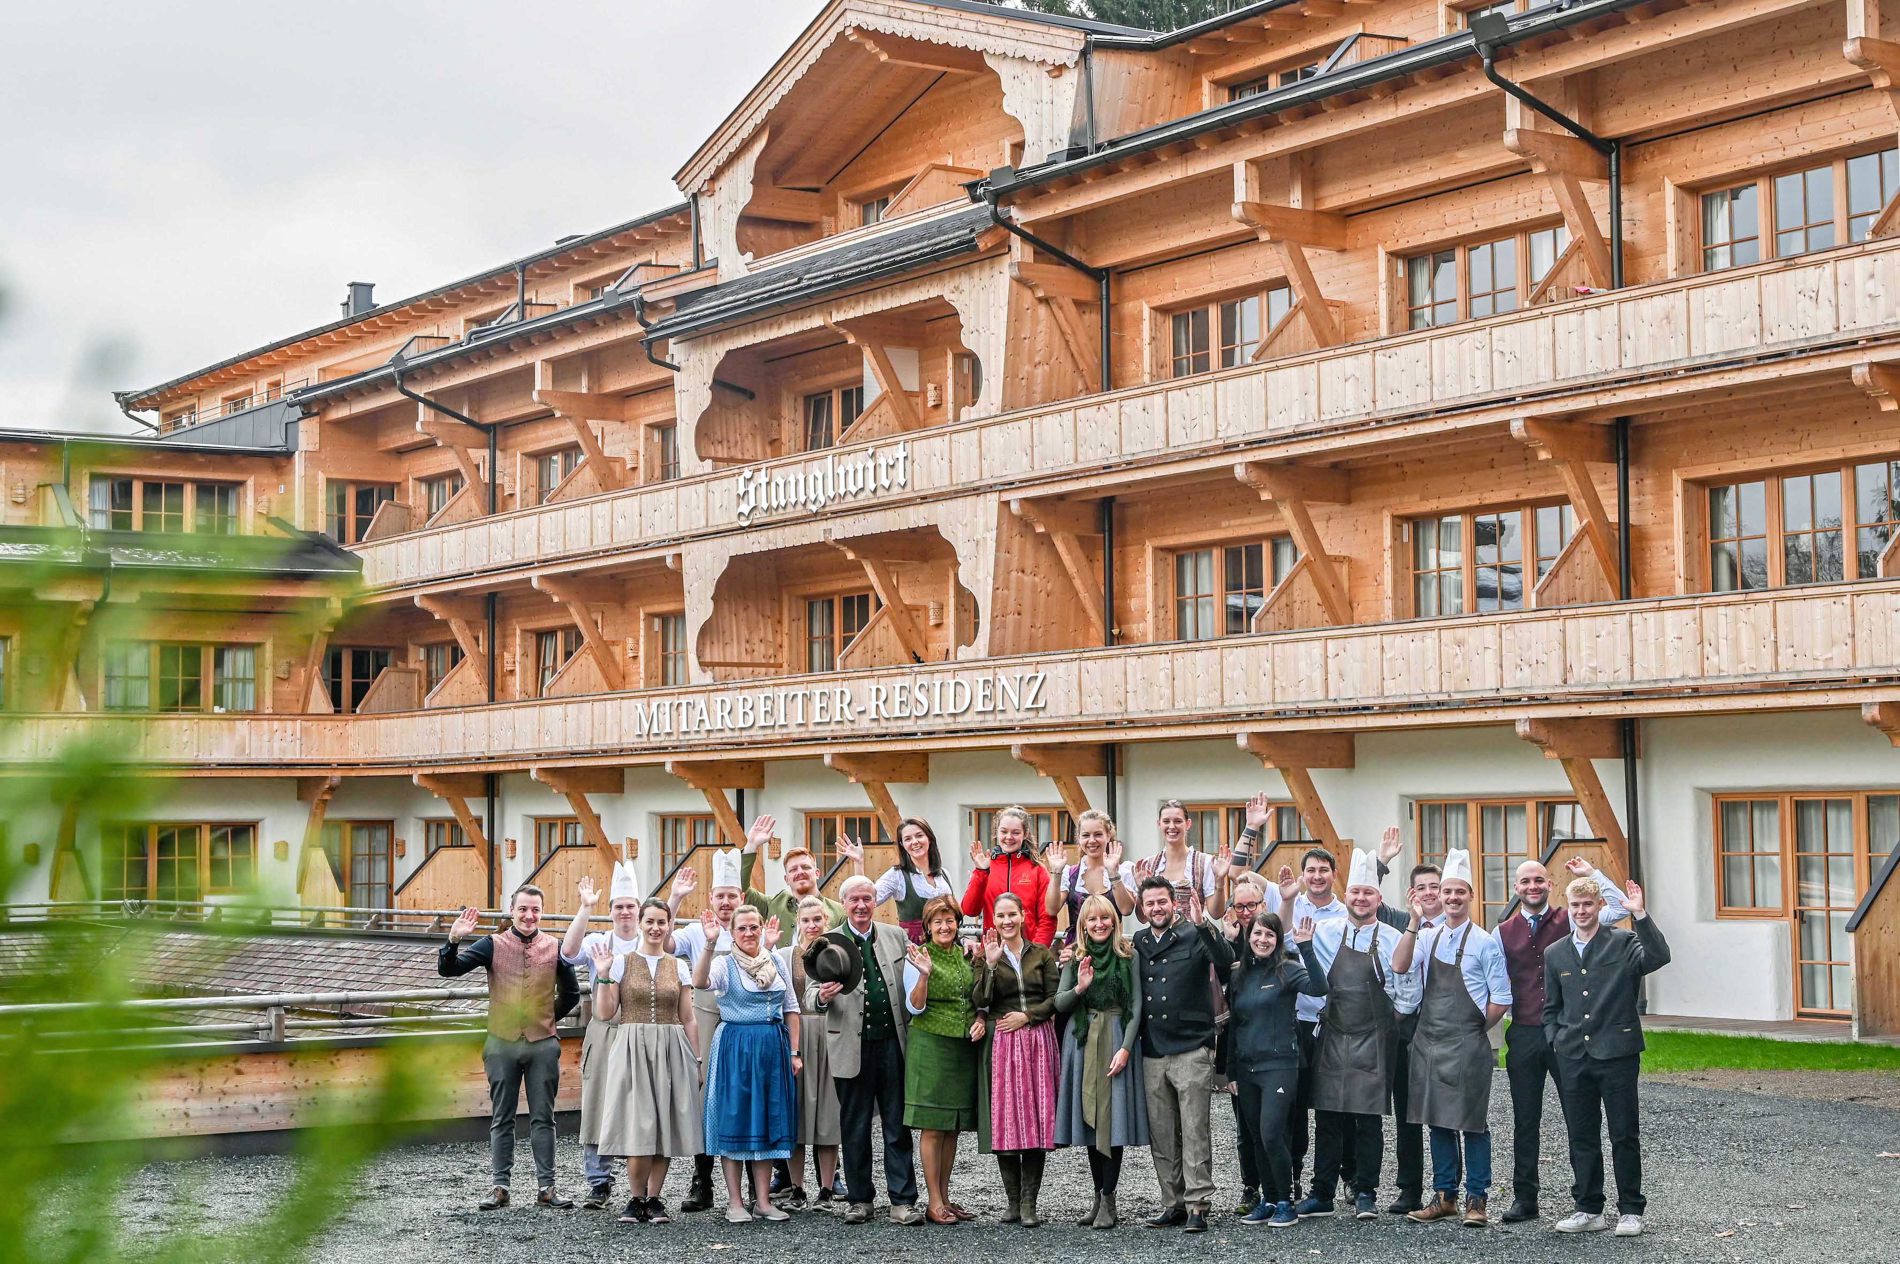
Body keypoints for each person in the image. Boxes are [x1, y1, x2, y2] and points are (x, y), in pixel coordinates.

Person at [1494, 856, 1627, 1223]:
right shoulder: (1502, 931)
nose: (1532, 887)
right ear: (1516, 888)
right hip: (1522, 1032)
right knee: (1525, 1119)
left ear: (1549, 885)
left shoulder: (1571, 916)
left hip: (1568, 1035)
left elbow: (1619, 907)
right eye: (1525, 882)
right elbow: (1490, 978)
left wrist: (1591, 875)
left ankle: (1587, 1200)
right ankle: (1525, 1198)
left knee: (1579, 1119)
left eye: (1539, 880)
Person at [437, 885, 581, 1210]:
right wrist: (453, 939)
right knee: (502, 1117)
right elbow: (449, 969)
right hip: (501, 1044)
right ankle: (500, 1186)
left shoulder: (556, 947)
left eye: (536, 910)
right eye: (523, 909)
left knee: (544, 1117)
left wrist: (544, 1019)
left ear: (541, 913)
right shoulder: (492, 944)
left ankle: (547, 1187)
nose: (529, 916)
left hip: (543, 1045)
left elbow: (571, 995)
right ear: (512, 910)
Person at [1392, 847, 1511, 1228]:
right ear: (1439, 897)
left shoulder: (1485, 941)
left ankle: (1477, 1199)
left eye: (1460, 892)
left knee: (1472, 1122)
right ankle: (1445, 1196)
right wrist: (1412, 922)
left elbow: (1501, 998)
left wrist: (1476, 1027)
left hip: (1467, 1041)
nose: (1453, 898)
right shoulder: (1428, 936)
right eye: (1447, 892)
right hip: (1429, 1041)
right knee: (1437, 1120)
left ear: (1470, 896)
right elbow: (1400, 964)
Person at [1546, 876, 1670, 1238]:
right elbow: (1552, 1006)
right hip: (1573, 1055)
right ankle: (1588, 1207)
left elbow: (1659, 956)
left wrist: (1641, 915)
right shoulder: (1556, 953)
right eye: (1575, 905)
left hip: (1617, 1053)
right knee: (1581, 1134)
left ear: (1600, 907)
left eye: (1588, 904)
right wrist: (1555, 1038)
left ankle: (1631, 1209)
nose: (1582, 911)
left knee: (1623, 1133)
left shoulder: (1624, 942)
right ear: (1568, 908)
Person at [1296, 849, 1413, 1223]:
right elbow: (1309, 981)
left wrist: (1387, 1023)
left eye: (1368, 894)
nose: (1361, 899)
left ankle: (1366, 1192)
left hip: (1375, 1037)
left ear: (1379, 899)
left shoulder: (1394, 937)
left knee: (1368, 1119)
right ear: (1346, 896)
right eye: (1355, 893)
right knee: (1327, 1116)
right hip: (1332, 1034)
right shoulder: (1325, 933)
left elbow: (1407, 991)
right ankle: (1322, 1192)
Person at [808, 874, 925, 1226]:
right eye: (854, 899)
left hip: (892, 1044)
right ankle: (860, 1200)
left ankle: (902, 1201)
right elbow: (808, 995)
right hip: (850, 1045)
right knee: (855, 1126)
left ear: (876, 902)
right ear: (843, 904)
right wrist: (821, 997)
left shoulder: (895, 936)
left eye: (867, 898)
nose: (861, 905)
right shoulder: (826, 943)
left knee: (896, 1124)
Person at [586, 895, 703, 1225]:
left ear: (669, 926)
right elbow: (605, 1013)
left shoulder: (678, 965)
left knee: (663, 1122)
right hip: (632, 1045)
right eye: (649, 921)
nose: (655, 927)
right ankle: (635, 1198)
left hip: (670, 1045)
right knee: (639, 1124)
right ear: (639, 923)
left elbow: (689, 1017)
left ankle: (654, 1199)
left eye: (661, 922)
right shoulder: (622, 961)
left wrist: (696, 1060)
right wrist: (605, 975)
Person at [1132, 875, 1235, 1233]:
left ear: (1172, 904)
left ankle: (1197, 1205)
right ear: (1142, 909)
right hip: (1153, 1048)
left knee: (1194, 1131)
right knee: (1162, 1133)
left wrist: (1206, 923)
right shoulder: (1139, 941)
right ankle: (1172, 1202)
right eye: (1150, 904)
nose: (1157, 908)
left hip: (1192, 1045)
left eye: (1162, 902)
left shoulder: (1195, 933)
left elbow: (1225, 961)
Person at [692, 904, 800, 1224]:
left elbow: (791, 1008)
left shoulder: (775, 959)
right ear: (733, 933)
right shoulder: (725, 965)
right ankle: (735, 1202)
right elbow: (699, 982)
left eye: (754, 927)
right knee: (735, 1119)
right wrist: (709, 942)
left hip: (772, 1047)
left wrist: (794, 1052)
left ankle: (763, 1201)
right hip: (736, 1047)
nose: (749, 933)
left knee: (765, 1121)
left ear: (762, 927)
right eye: (742, 928)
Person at [1224, 908, 1326, 1228]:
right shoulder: (1239, 974)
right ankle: (1268, 1200)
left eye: (1270, 934)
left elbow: (1320, 988)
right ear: (1249, 936)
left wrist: (1307, 946)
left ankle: (1285, 1201)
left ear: (1278, 940)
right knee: (1255, 1136)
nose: (1263, 939)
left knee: (1271, 1133)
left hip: (1280, 1065)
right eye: (1257, 933)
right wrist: (1231, 1073)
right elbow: (1233, 1027)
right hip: (1247, 1068)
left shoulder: (1288, 969)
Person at [1054, 893, 1148, 1230]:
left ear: (1114, 921)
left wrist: (1125, 1048)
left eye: (1104, 918)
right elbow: (1060, 1003)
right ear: (1082, 925)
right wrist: (1080, 987)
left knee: (1113, 1120)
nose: (1099, 924)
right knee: (1091, 1121)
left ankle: (1110, 1197)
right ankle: (1098, 1197)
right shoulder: (1075, 958)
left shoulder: (1128, 955)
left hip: (1116, 1036)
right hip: (1082, 1042)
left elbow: (1136, 1004)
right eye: (1091, 919)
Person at [667, 839, 751, 1212]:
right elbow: (666, 944)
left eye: (732, 895)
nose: (726, 903)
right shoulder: (696, 930)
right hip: (705, 1016)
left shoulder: (750, 930)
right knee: (705, 1100)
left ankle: (755, 1183)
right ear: (711, 898)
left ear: (741, 896)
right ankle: (702, 1180)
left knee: (743, 1095)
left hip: (742, 1022)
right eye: (720, 896)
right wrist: (675, 900)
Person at [973, 892, 1061, 1226]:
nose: (1007, 921)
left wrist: (1029, 1016)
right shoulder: (986, 956)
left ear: (1023, 916)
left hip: (1036, 1038)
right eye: (1000, 916)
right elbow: (980, 999)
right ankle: (1012, 1201)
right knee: (1006, 1121)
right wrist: (992, 965)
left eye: (1012, 914)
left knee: (1036, 1122)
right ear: (993, 920)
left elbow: (1055, 998)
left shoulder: (1040, 954)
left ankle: (1029, 1204)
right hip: (1003, 1043)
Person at [560, 863, 645, 1209]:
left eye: (630, 906)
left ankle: (640, 1184)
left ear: (638, 911)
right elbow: (567, 952)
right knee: (597, 1100)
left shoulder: (648, 941)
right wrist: (585, 907)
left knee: (639, 1102)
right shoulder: (598, 941)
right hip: (605, 1029)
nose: (625, 912)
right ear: (610, 912)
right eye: (619, 906)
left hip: (639, 1029)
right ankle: (599, 1181)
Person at [900, 894, 985, 1224]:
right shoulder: (919, 956)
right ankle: (934, 1201)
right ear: (928, 926)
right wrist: (923, 974)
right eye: (938, 922)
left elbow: (976, 996)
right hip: (931, 1046)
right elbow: (914, 1007)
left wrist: (978, 1018)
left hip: (961, 1049)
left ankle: (946, 1197)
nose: (945, 926)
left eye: (950, 920)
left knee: (952, 1127)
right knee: (933, 1127)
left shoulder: (966, 955)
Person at [1278, 846, 1346, 1201]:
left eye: (1324, 869)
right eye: (1311, 870)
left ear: (1334, 874)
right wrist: (1288, 901)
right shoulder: (1293, 906)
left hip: (1335, 1020)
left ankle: (1339, 1178)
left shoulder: (1346, 913)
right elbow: (1280, 940)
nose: (1317, 876)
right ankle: (1294, 1176)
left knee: (1334, 1105)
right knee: (1297, 1103)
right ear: (1303, 875)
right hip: (1298, 1019)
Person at [1387, 858, 1443, 1215]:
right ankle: (1410, 1188)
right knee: (1406, 1113)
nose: (1428, 893)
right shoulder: (1400, 927)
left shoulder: (1462, 929)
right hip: (1406, 1028)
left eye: (1433, 887)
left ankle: (1446, 1189)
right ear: (1412, 893)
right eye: (1421, 887)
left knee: (1443, 1112)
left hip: (1444, 1028)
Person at [787, 895, 843, 1209]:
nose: (812, 925)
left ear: (826, 922)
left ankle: (825, 1187)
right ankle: (796, 1188)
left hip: (829, 1031)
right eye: (806, 920)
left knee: (827, 1113)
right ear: (799, 924)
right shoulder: (787, 955)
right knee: (797, 1112)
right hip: (799, 1033)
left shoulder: (837, 954)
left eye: (817, 920)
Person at [740, 812, 847, 940]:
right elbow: (742, 892)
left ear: (817, 873)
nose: (800, 872)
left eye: (806, 867)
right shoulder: (773, 904)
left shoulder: (838, 911)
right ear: (786, 879)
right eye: (793, 869)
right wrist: (751, 845)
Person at [962, 806, 1056, 944]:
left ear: (1025, 834)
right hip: (992, 952)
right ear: (997, 832)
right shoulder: (986, 868)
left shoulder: (1038, 870)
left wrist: (1036, 954)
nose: (1009, 837)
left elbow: (1047, 919)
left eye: (1016, 832)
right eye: (1004, 831)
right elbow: (970, 910)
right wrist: (981, 872)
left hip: (1028, 954)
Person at [1044, 808, 1134, 945]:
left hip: (1112, 949)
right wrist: (1056, 872)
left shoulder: (1122, 871)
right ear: (1079, 838)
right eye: (1086, 835)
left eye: (1098, 834)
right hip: (1077, 948)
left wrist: (1113, 874)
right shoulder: (1070, 873)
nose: (1092, 840)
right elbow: (1051, 909)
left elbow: (1126, 910)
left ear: (1108, 835)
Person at [1134, 799, 1230, 919]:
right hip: (1160, 937)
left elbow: (1216, 914)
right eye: (1166, 821)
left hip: (1193, 936)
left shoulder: (1204, 862)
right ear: (1159, 824)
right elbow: (1142, 918)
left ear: (1188, 824)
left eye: (1178, 821)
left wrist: (1220, 881)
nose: (1172, 826)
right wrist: (1140, 890)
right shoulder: (1148, 865)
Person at [870, 816, 957, 943]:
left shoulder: (943, 874)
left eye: (919, 835)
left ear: (929, 838)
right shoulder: (897, 875)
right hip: (915, 948)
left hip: (947, 946)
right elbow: (869, 900)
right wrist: (859, 863)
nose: (914, 842)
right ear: (902, 845)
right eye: (907, 839)